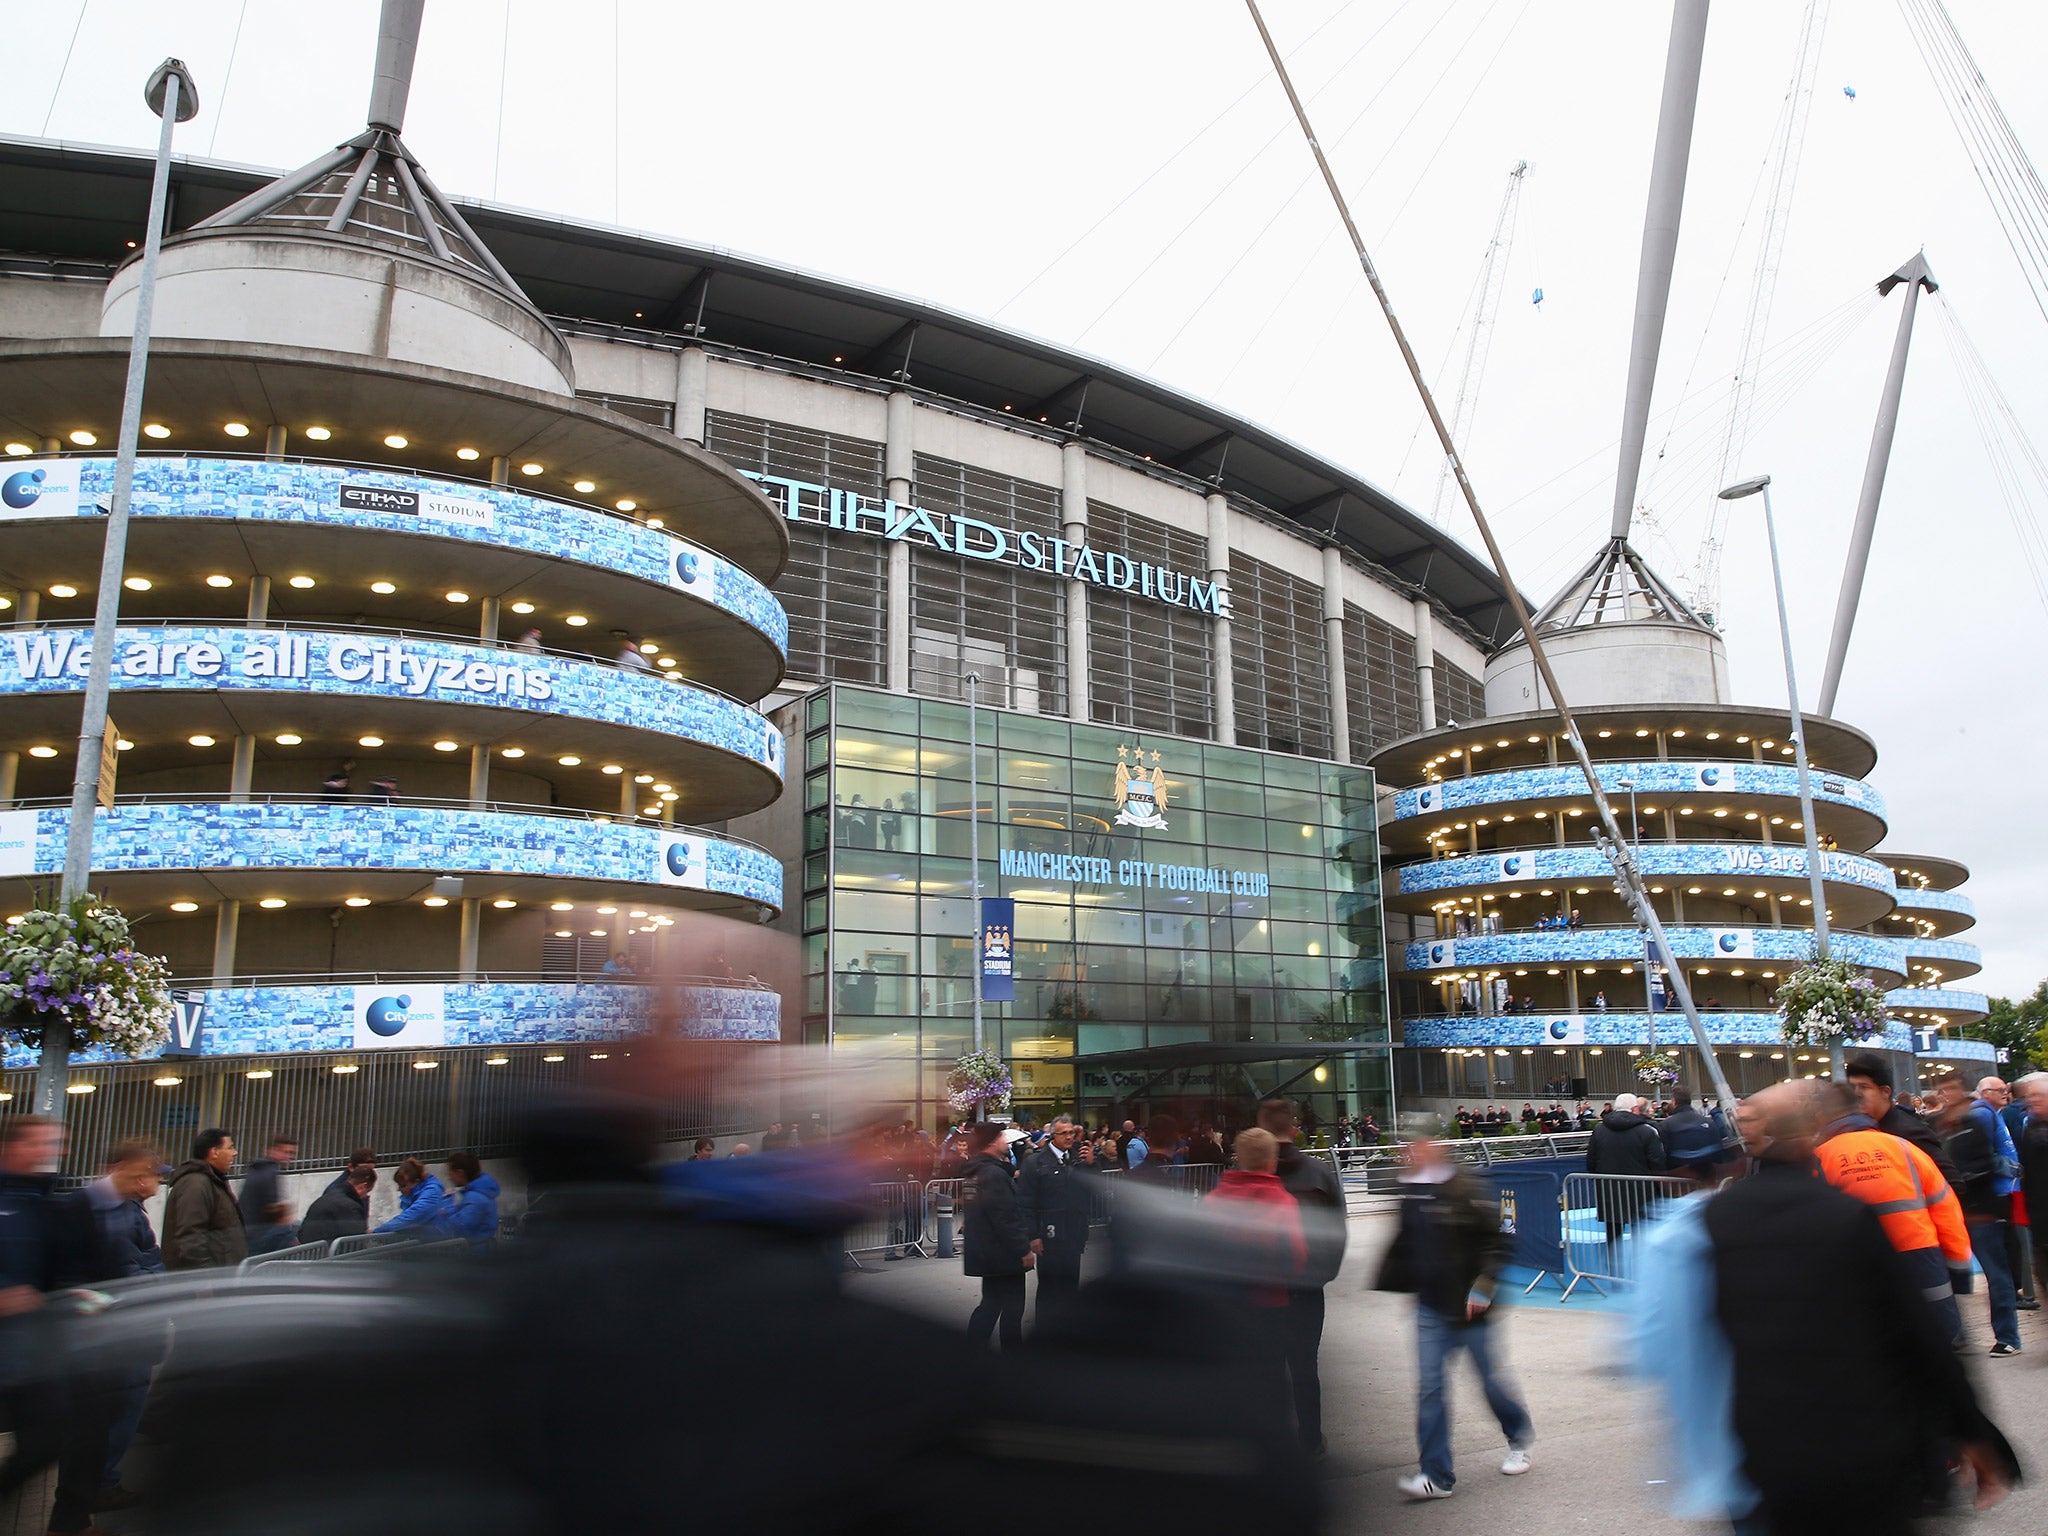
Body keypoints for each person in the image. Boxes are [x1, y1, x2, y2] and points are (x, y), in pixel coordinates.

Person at [1705, 1082, 2017, 1532]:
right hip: (1866, 1445)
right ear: (1809, 1133)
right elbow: (1919, 1336)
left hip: (1770, 1447)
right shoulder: (1855, 1200)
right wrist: (1970, 1429)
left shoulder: (1719, 1216)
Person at [1377, 1117, 1531, 1500]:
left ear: (1436, 1143)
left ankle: (1517, 1437)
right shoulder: (1408, 1189)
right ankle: (1436, 1474)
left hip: (1470, 1309)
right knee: (1430, 1389)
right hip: (1430, 1308)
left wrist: (1483, 1285)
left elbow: (1497, 1242)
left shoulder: (1463, 1186)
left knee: (1489, 1383)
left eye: (1419, 1142)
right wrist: (1407, 1285)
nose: (1411, 1149)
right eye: (1407, 1144)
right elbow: (1410, 1245)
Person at [0, 1116, 111, 1536]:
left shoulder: (42, 1200)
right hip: (15, 1348)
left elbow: (54, 1269)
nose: (53, 1151)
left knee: (48, 1439)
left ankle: (68, 1523)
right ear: (13, 1146)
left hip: (32, 1351)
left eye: (58, 1143)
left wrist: (74, 1292)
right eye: (43, 1143)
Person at [1810, 1079, 1971, 1348]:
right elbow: (1946, 1209)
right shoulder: (1904, 1149)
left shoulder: (1817, 1160)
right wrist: (1958, 1270)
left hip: (1860, 1270)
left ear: (1821, 1115)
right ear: (1859, 1109)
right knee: (1936, 1352)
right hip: (1922, 1262)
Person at [82, 1139, 166, 1514]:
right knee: (122, 1407)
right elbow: (131, 1272)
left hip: (126, 1325)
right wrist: (162, 1286)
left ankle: (96, 1482)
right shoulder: (121, 1214)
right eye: (152, 1173)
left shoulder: (128, 1210)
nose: (158, 1181)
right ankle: (99, 1485)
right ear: (130, 1173)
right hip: (127, 1328)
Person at [1258, 1099, 1346, 1456]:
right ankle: (1311, 1440)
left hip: (1262, 1288)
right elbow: (1336, 1232)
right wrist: (1320, 1275)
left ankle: (1272, 1441)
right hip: (1307, 1287)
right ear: (1293, 1128)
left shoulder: (1251, 1175)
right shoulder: (1320, 1173)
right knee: (1305, 1365)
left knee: (1267, 1365)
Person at [1202, 1127, 1306, 1413]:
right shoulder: (1284, 1203)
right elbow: (1296, 1258)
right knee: (1271, 1380)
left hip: (1224, 1309)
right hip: (1270, 1307)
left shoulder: (1213, 1201)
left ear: (1238, 1159)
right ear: (1272, 1162)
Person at [1930, 1070, 2023, 1355]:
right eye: (1943, 1090)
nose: (1948, 1095)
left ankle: (2008, 1337)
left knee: (1995, 1274)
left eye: (1952, 1089)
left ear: (1965, 1091)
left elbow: (1983, 1161)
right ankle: (1957, 1334)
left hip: (1982, 1209)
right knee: (1953, 1274)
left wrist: (1960, 1183)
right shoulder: (1940, 1123)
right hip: (1958, 1210)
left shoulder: (1976, 1118)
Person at [959, 1122, 1032, 1352]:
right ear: (992, 1142)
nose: (1005, 1140)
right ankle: (1012, 1355)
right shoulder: (993, 1174)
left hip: (987, 1251)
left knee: (991, 1303)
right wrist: (1023, 1249)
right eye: (1001, 1136)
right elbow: (1005, 1217)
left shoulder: (975, 1172)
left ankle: (973, 1350)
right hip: (1003, 1254)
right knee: (1010, 1307)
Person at [1017, 1115, 1095, 1327]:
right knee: (1050, 1288)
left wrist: (1090, 1165)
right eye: (1064, 1133)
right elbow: (1025, 1202)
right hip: (1049, 1234)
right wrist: (1033, 1236)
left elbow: (1090, 1191)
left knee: (1070, 1286)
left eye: (1072, 1132)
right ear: (1053, 1135)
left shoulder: (1077, 1159)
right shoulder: (1035, 1161)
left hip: (1074, 1233)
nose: (1070, 1137)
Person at [1978, 1076, 2038, 1309]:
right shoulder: (1983, 1115)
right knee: (2008, 1244)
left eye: (2006, 1088)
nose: (2006, 1092)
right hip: (2002, 1191)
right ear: (1985, 1093)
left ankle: (2014, 1292)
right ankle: (2011, 1293)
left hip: (2009, 1189)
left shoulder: (1994, 1114)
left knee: (2013, 1243)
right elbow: (1984, 1153)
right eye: (1999, 1090)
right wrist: (2014, 1168)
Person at [1843, 1051, 1953, 1175]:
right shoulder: (1855, 1130)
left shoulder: (1910, 1133)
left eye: (1864, 1087)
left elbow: (1951, 1181)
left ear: (1885, 1092)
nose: (1856, 1094)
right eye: (1852, 1087)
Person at [163, 1127, 247, 1271]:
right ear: (214, 1152)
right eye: (230, 1147)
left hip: (220, 1276)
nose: (235, 1153)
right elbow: (190, 1236)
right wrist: (204, 1278)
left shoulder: (213, 1181)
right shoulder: (195, 1184)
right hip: (205, 1281)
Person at [238, 1131, 300, 1253]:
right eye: (287, 1152)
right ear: (273, 1151)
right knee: (294, 1228)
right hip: (256, 1235)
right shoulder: (269, 1172)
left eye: (293, 1153)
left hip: (247, 1232)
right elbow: (275, 1211)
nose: (291, 1157)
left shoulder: (259, 1169)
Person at [375, 1156, 453, 1240]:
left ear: (416, 1182)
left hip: (438, 1243)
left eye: (403, 1185)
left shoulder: (432, 1192)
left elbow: (410, 1218)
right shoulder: (418, 1194)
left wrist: (377, 1232)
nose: (399, 1189)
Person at [299, 1163, 376, 1246]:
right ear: (362, 1187)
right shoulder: (350, 1207)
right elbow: (356, 1242)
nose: (366, 1196)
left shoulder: (329, 1195)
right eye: (367, 1191)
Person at [1654, 1087, 1721, 1174]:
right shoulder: (1709, 1122)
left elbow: (1663, 1154)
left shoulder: (1665, 1125)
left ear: (1674, 1102)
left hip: (1678, 1175)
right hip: (1708, 1175)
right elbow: (1718, 1150)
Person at [444, 1152, 501, 1251]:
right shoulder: (477, 1192)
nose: (450, 1178)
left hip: (476, 1253)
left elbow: (462, 1227)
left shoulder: (475, 1197)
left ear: (460, 1173)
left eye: (451, 1174)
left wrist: (445, 1211)